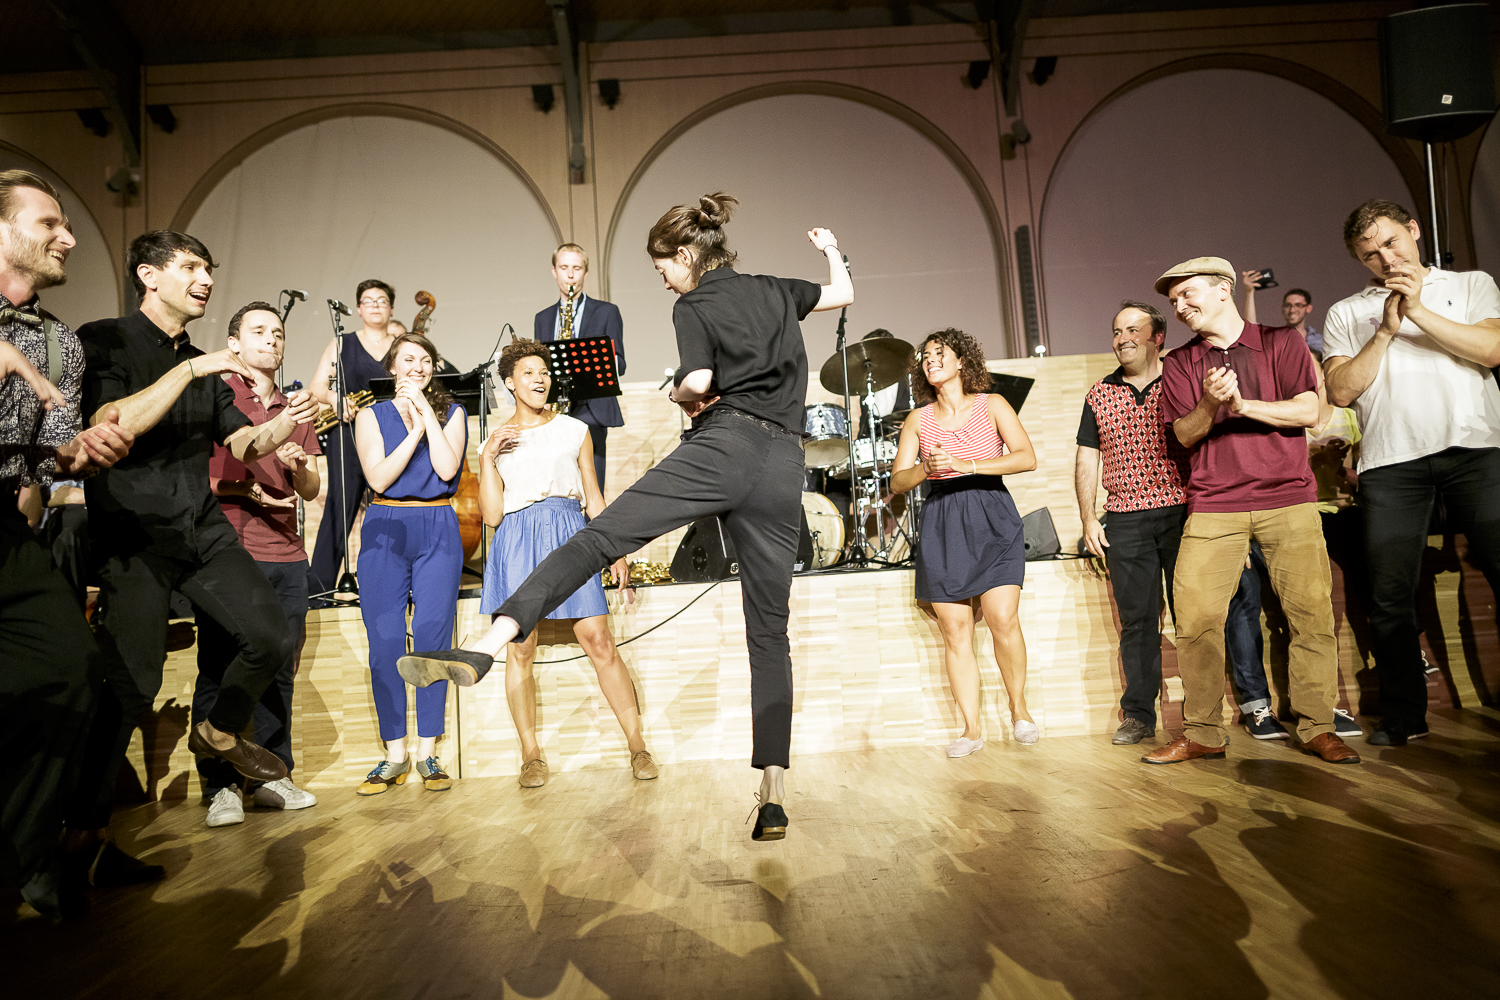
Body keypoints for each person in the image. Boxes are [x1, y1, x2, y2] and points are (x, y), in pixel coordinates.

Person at [398, 193, 852, 842]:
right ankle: (773, 789)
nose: (662, 277)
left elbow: (696, 379)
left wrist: (683, 390)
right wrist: (830, 245)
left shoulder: (693, 303)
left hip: (726, 445)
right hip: (784, 462)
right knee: (769, 631)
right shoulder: (778, 289)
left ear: (689, 256)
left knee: (600, 537)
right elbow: (842, 291)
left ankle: (486, 644)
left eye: (663, 264)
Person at [78, 230, 321, 824]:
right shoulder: (106, 340)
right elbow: (112, 424)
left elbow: (244, 442)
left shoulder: (206, 367)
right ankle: (86, 830)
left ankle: (216, 731)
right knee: (132, 684)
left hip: (203, 531)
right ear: (148, 275)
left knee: (269, 638)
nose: (206, 279)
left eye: (209, 269)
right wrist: (189, 371)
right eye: (191, 267)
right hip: (136, 533)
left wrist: (288, 420)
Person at [1144, 255, 1358, 766]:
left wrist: (1242, 405)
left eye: (1187, 293)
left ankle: (1317, 725)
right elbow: (1183, 434)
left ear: (1223, 289)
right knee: (1194, 618)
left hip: (1288, 497)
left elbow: (1310, 411)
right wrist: (1210, 406)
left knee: (1309, 615)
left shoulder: (1281, 342)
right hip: (1215, 503)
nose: (1179, 306)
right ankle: (1203, 732)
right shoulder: (1178, 363)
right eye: (1173, 300)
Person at [0, 169, 136, 919]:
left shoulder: (58, 344)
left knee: (73, 671)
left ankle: (26, 853)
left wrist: (84, 446)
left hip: (4, 528)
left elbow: (52, 454)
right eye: (49, 222)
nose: (71, 236)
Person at [1322, 198, 1500, 746]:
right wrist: (1384, 330)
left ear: (1415, 231)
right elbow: (1341, 390)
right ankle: (1403, 714)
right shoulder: (1346, 312)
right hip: (1391, 461)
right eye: (1369, 253)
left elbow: (1492, 350)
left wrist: (1417, 309)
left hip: (1476, 449)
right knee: (1391, 594)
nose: (1385, 257)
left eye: (1391, 242)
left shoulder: (1471, 285)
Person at [478, 338, 654, 788]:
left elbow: (593, 497)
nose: (539, 379)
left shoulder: (575, 428)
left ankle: (638, 746)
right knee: (521, 646)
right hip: (516, 538)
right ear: (511, 383)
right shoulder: (495, 440)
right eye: (528, 373)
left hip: (567, 531)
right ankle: (531, 755)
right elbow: (493, 515)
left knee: (599, 640)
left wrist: (615, 549)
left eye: (543, 372)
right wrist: (485, 458)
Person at [195, 301, 322, 828]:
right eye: (259, 331)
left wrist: (296, 469)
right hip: (230, 550)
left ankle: (273, 775)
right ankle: (220, 786)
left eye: (278, 332)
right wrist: (250, 488)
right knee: (220, 663)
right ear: (235, 345)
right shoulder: (217, 395)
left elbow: (311, 490)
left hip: (287, 552)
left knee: (281, 668)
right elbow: (205, 476)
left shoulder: (295, 406)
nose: (272, 339)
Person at [891, 327, 1039, 757]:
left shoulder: (992, 404)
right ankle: (971, 729)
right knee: (955, 631)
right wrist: (926, 470)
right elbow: (899, 481)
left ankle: (1019, 710)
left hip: (991, 514)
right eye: (925, 355)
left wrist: (966, 463)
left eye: (940, 353)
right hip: (943, 520)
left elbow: (1025, 457)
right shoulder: (918, 419)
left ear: (962, 362)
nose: (930, 359)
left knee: (1002, 620)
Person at [352, 332, 467, 794]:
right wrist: (414, 430)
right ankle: (394, 753)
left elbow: (444, 470)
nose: (417, 366)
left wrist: (427, 418)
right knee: (384, 643)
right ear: (392, 367)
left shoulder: (453, 412)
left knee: (433, 641)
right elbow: (379, 475)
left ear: (432, 368)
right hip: (385, 527)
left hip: (437, 526)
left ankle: (427, 751)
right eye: (407, 360)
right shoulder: (369, 416)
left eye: (425, 360)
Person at [1074, 301, 1189, 746]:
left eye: (1132, 329)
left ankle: (1203, 716)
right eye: (1117, 330)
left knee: (1193, 618)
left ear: (1158, 336)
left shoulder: (1179, 384)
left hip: (1182, 513)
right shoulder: (1099, 394)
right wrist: (1088, 518)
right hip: (1125, 519)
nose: (1122, 338)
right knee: (1139, 623)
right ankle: (1139, 715)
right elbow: (1087, 456)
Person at [306, 278, 398, 602]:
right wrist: (335, 399)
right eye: (368, 300)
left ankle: (392, 585)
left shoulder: (401, 342)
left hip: (393, 434)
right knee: (339, 507)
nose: (375, 305)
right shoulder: (342, 342)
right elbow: (317, 386)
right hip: (347, 432)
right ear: (358, 309)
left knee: (393, 506)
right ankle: (318, 592)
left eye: (382, 300)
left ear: (390, 308)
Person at [534, 243, 625, 489]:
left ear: (585, 272)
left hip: (591, 411)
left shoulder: (607, 312)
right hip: (554, 412)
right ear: (554, 271)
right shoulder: (542, 318)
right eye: (564, 268)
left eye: (577, 268)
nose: (571, 275)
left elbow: (619, 361)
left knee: (591, 487)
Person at [1242, 271, 1321, 355]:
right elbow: (1251, 329)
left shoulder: (1319, 341)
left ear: (1309, 308)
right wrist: (1249, 292)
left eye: (1298, 305)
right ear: (1283, 308)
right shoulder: (1274, 337)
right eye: (1288, 305)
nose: (1292, 310)